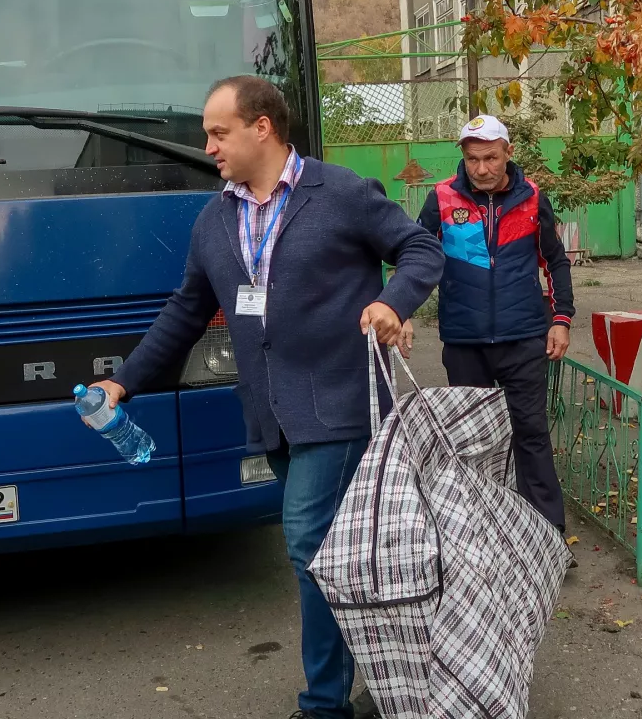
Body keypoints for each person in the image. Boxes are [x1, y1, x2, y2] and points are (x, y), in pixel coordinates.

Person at [86, 76, 443, 719]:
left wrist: (393, 302)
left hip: (340, 404)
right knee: (337, 555)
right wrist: (123, 381)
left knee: (308, 543)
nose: (208, 144)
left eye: (219, 132)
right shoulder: (215, 221)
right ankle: (399, 666)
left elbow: (420, 247)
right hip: (270, 416)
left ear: (263, 128)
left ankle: (324, 705)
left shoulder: (340, 193)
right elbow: (185, 312)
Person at [413, 115, 576, 544]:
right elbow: (415, 258)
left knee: (531, 434)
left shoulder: (531, 198)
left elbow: (555, 260)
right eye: (472, 159)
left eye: (490, 158)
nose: (482, 168)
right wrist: (402, 310)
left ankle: (547, 536)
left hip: (523, 338)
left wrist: (561, 320)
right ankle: (477, 536)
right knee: (471, 443)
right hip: (465, 343)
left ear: (508, 153)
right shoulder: (442, 198)